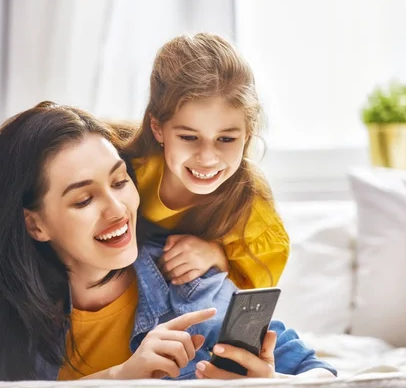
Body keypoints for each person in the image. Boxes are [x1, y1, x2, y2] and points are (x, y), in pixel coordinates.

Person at [0, 102, 337, 381]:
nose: (117, 209)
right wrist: (121, 378)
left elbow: (320, 373)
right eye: (84, 199)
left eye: (120, 181)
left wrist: (270, 384)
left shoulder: (188, 283)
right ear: (35, 225)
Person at [117, 33, 289, 289]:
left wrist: (218, 257)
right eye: (188, 137)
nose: (207, 158)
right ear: (158, 128)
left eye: (226, 139)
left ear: (248, 134)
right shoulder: (120, 163)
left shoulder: (251, 209)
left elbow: (252, 300)